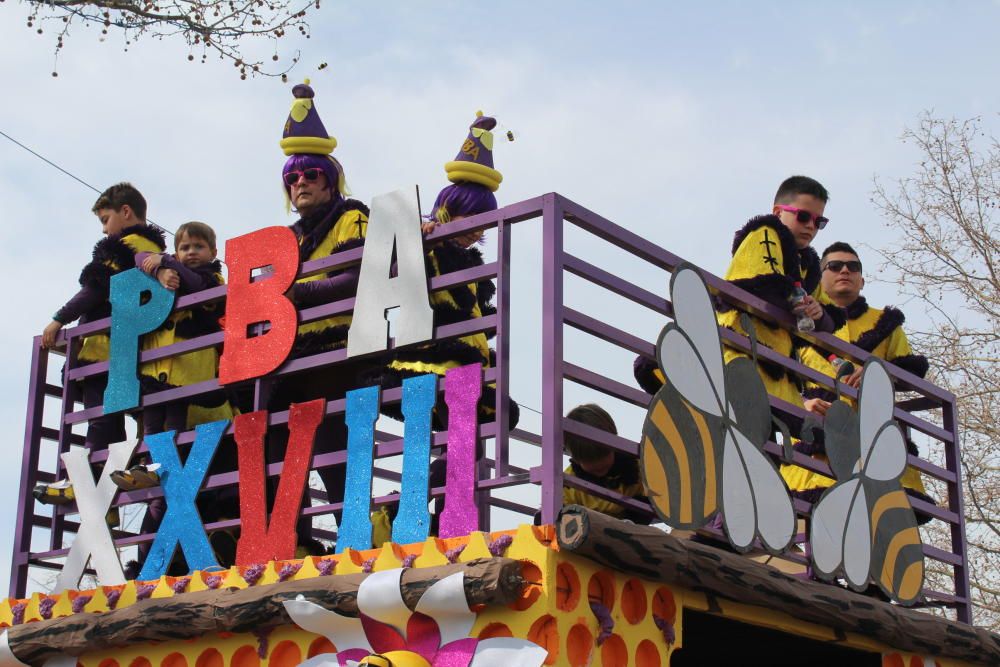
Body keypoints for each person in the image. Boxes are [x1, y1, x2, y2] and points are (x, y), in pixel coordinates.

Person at [368, 112, 518, 544]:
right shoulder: (428, 245)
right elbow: (389, 269)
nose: (475, 232)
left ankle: (431, 516)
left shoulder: (474, 267)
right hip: (426, 362)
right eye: (468, 219)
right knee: (435, 433)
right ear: (448, 212)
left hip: (463, 368)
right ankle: (413, 510)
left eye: (482, 224)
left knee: (470, 435)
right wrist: (418, 237)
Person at [635, 175, 844, 405]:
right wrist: (800, 304)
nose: (810, 226)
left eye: (819, 221)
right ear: (778, 213)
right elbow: (766, 289)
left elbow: (831, 317)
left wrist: (819, 313)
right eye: (803, 216)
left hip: (773, 373)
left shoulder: (808, 264)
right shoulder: (763, 233)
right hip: (737, 355)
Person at [271, 80, 370, 551]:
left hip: (338, 352)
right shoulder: (284, 239)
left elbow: (355, 279)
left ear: (330, 179)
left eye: (310, 174)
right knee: (280, 451)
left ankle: (355, 538)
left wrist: (294, 295)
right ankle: (294, 541)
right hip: (290, 358)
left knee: (333, 451)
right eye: (293, 178)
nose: (301, 183)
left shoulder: (353, 217)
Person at [112, 221, 238, 576]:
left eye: (199, 247)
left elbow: (199, 284)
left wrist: (168, 264)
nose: (191, 253)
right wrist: (160, 264)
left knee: (174, 462)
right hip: (157, 378)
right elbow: (138, 258)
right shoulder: (167, 274)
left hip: (192, 384)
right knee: (158, 470)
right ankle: (149, 559)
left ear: (214, 253)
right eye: (184, 248)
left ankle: (170, 555)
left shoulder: (213, 280)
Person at [34, 183, 166, 505]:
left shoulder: (122, 249)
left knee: (101, 416)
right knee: (125, 419)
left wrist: (58, 319)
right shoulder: (156, 255)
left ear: (125, 212)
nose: (105, 230)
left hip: (106, 347)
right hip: (142, 349)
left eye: (106, 220)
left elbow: (96, 290)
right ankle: (107, 495)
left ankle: (86, 483)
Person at [787, 242, 934, 513]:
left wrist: (876, 373)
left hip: (872, 434)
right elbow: (779, 375)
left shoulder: (886, 324)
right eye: (834, 266)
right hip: (817, 434)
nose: (845, 270)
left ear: (862, 280)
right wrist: (800, 405)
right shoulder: (798, 322)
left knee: (877, 520)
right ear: (820, 277)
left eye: (853, 266)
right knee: (812, 515)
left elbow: (910, 372)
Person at [561, 404, 650, 523]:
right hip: (589, 532)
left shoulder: (636, 467)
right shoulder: (570, 483)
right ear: (576, 459)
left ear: (614, 446)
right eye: (589, 461)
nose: (599, 465)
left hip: (631, 527)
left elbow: (652, 497)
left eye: (604, 456)